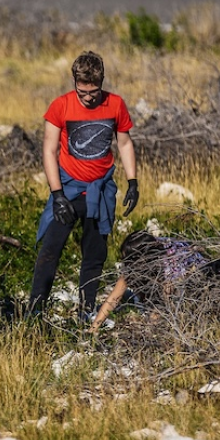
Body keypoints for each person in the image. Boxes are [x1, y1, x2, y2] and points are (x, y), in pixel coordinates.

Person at [28, 50, 138, 324]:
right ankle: (34, 312)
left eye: (93, 91)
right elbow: (49, 150)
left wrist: (133, 181)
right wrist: (57, 195)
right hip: (68, 188)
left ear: (101, 83)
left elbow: (124, 143)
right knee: (50, 250)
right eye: (82, 91)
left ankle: (86, 311)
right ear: (74, 83)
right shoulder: (61, 106)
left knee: (94, 254)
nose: (88, 97)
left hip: (99, 192)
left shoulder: (115, 104)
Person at [89, 231, 220, 333]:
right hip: (166, 279)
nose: (127, 264)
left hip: (194, 274)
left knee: (175, 294)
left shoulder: (171, 259)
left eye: (130, 260)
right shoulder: (133, 267)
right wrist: (94, 327)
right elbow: (113, 298)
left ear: (141, 258)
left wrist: (159, 319)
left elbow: (171, 294)